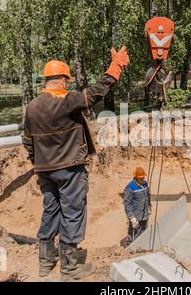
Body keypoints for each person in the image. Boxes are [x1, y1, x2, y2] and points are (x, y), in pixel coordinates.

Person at [22, 47, 130, 281]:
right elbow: (94, 93)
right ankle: (70, 268)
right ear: (61, 80)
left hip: (44, 171)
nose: (67, 85)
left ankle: (45, 262)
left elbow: (27, 140)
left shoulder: (32, 107)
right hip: (69, 169)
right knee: (72, 212)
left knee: (50, 211)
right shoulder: (67, 102)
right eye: (66, 81)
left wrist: (37, 162)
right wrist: (115, 68)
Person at [123, 167, 151, 246]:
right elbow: (127, 203)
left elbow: (148, 196)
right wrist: (131, 217)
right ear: (136, 177)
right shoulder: (130, 188)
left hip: (144, 215)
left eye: (143, 177)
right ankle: (130, 249)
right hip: (136, 216)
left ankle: (142, 248)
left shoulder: (145, 184)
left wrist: (149, 207)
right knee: (134, 235)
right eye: (140, 178)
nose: (142, 179)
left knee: (143, 233)